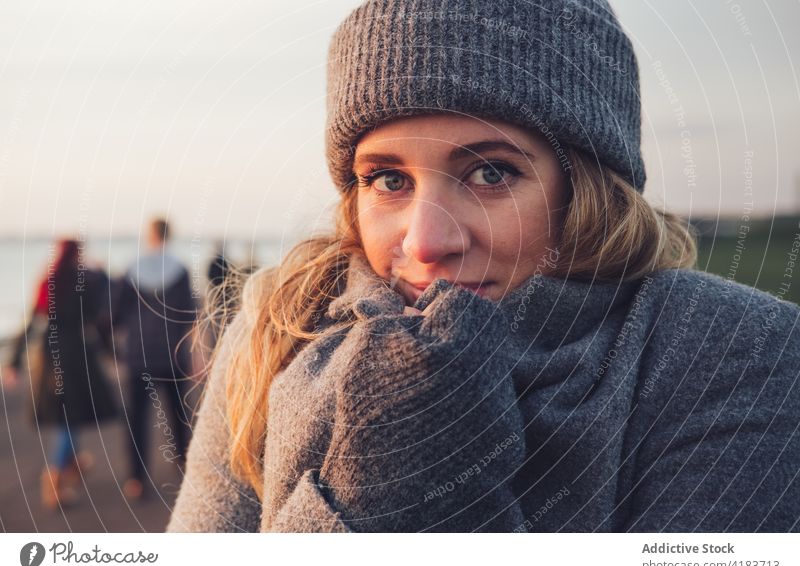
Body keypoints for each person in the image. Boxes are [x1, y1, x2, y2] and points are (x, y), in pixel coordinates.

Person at [167, 0, 800, 532]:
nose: (425, 242)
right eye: (388, 179)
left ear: (587, 189)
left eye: (491, 172)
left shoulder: (737, 352)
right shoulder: (281, 332)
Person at [3, 239, 117, 510]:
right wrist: (101, 274)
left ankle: (74, 464)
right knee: (71, 418)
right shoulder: (85, 280)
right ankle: (55, 477)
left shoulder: (47, 281)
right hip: (76, 356)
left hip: (50, 356)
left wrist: (14, 362)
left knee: (68, 417)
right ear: (77, 254)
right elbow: (99, 315)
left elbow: (31, 320)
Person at [113, 218, 196, 500]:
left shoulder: (132, 269)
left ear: (148, 235)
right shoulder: (181, 270)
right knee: (178, 415)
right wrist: (198, 355)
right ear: (170, 235)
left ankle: (136, 479)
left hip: (138, 355)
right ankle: (184, 468)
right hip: (173, 353)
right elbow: (189, 314)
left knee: (137, 419)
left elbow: (114, 314)